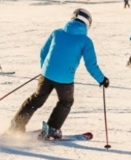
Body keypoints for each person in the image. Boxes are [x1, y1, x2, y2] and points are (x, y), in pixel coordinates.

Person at [8, 9, 108, 140]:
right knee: (66, 102)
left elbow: (43, 52)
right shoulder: (85, 41)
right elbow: (91, 65)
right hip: (65, 79)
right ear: (87, 23)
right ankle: (52, 129)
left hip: (46, 74)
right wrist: (102, 79)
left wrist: (46, 69)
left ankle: (16, 125)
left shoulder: (57, 32)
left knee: (36, 99)